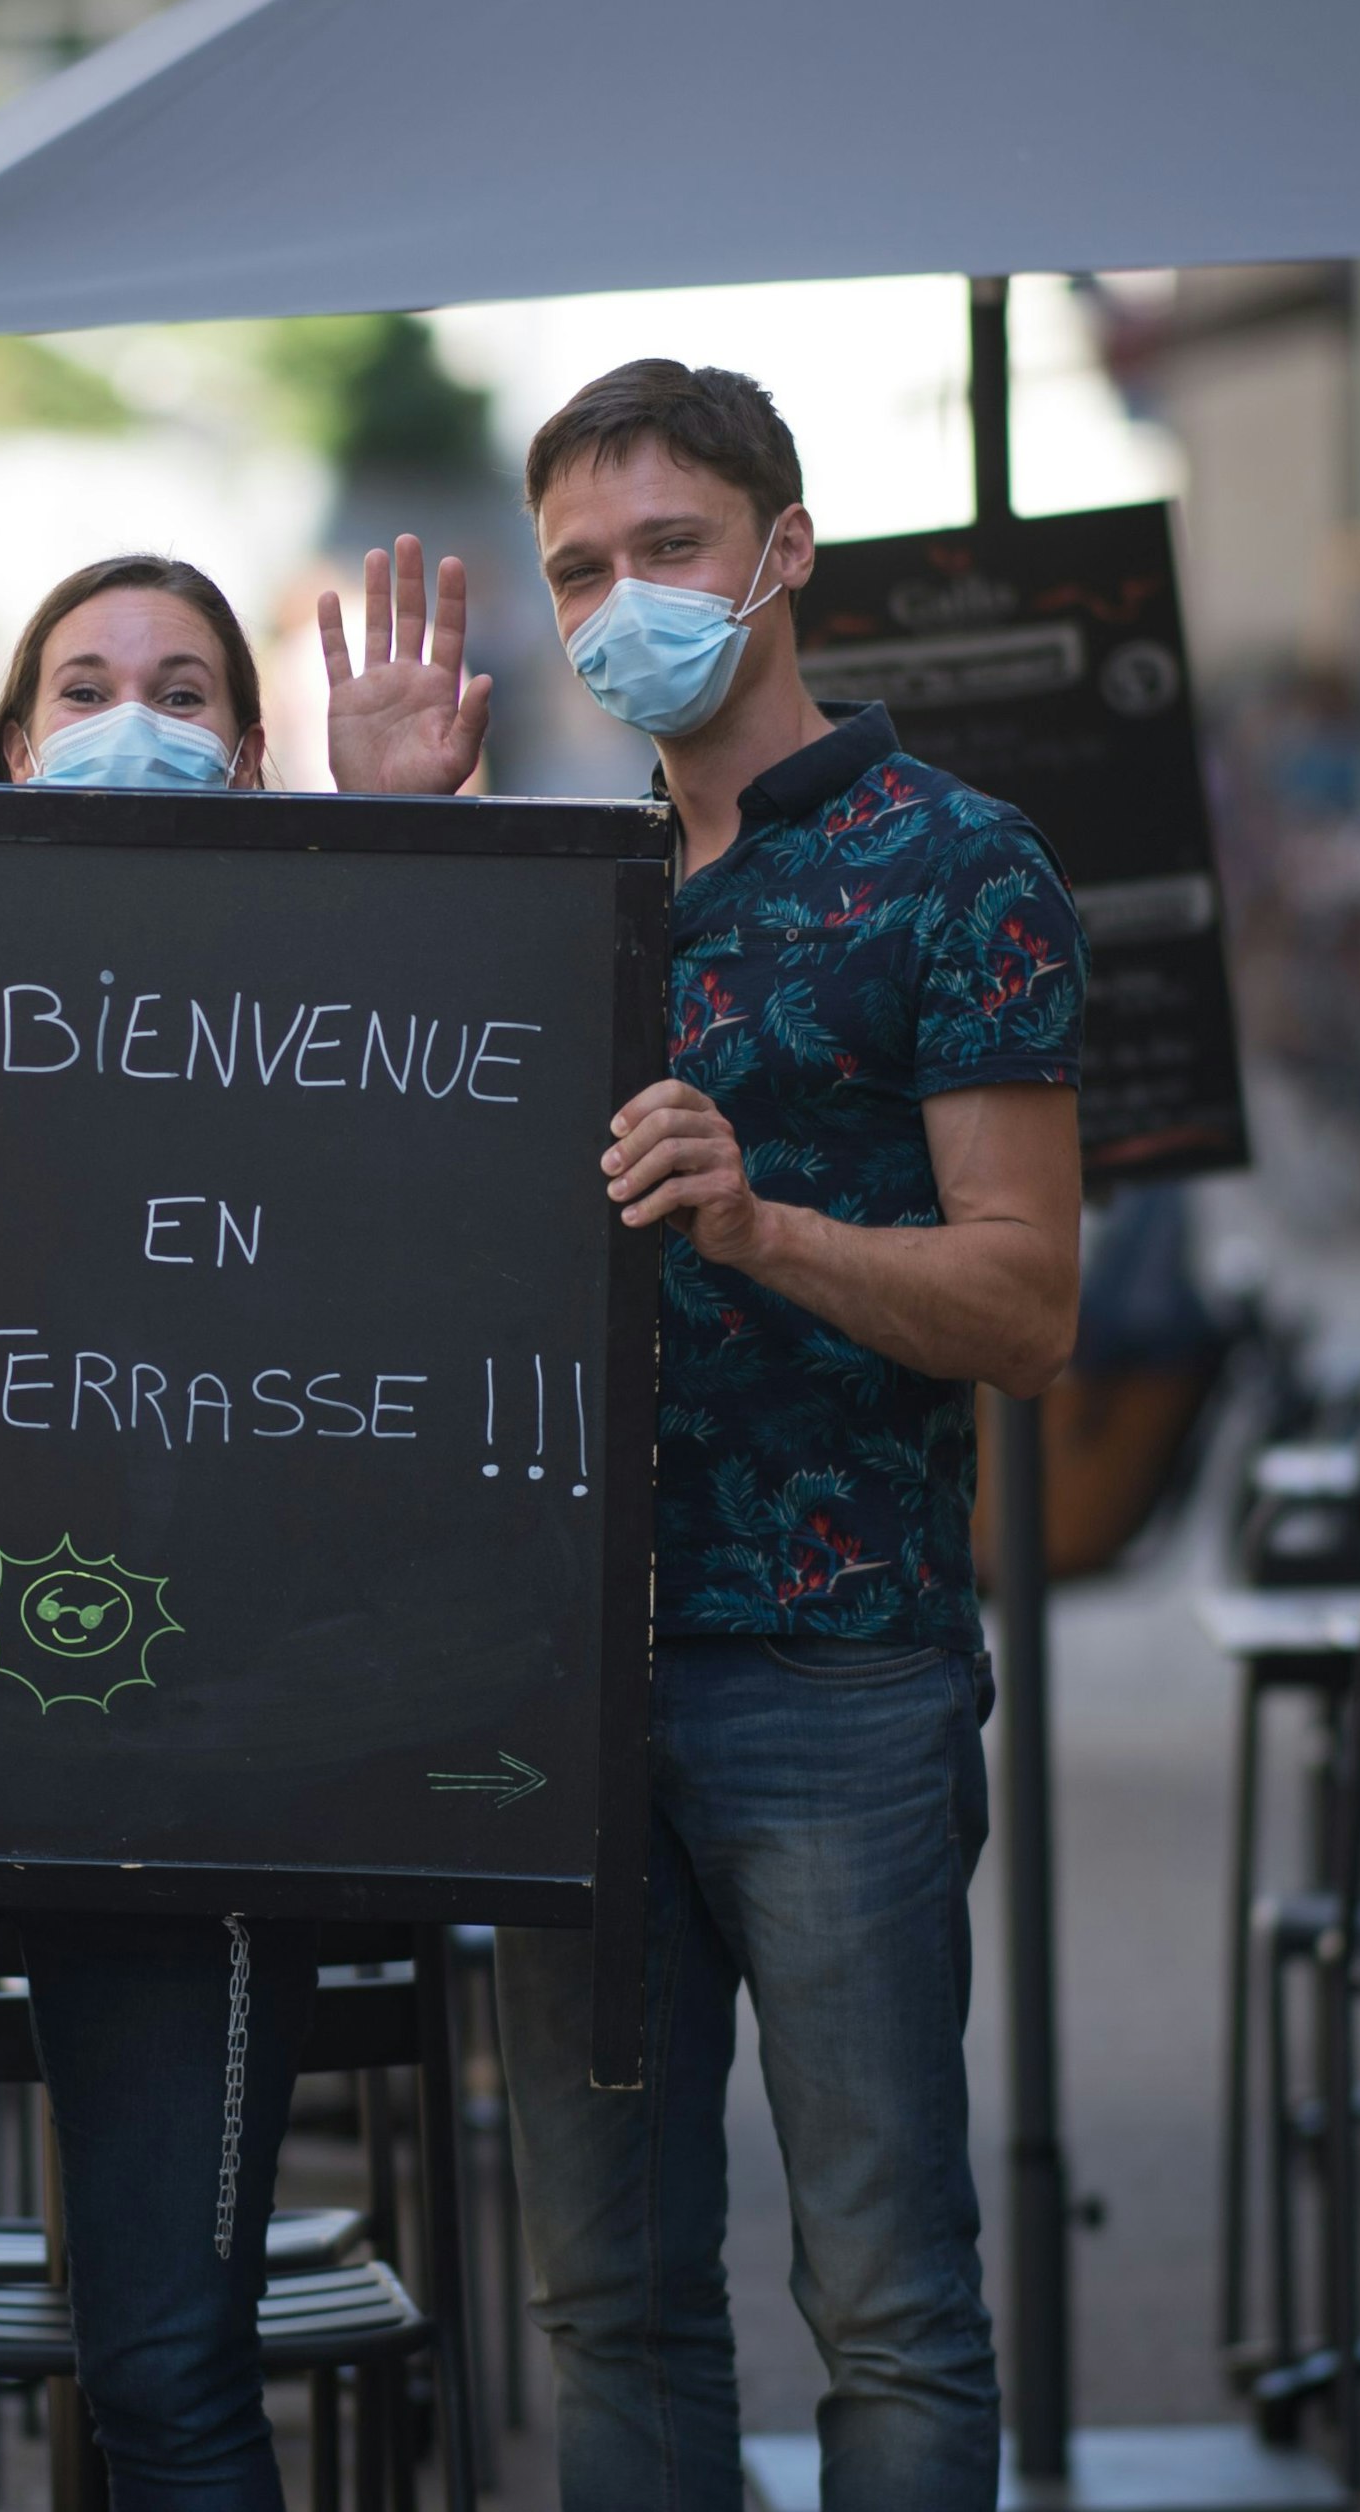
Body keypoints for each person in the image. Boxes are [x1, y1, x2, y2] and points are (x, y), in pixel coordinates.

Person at [0, 543, 491, 2508]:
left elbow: (474, 1201)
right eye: (83, 681)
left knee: (175, 2364)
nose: (130, 713)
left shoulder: (345, 1039)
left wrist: (399, 844)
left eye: (183, 685)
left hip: (209, 1777)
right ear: (9, 746)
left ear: (245, 753)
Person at [474, 362, 1088, 2511]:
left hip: (839, 1675)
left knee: (890, 2302)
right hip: (562, 1694)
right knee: (608, 2301)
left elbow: (1027, 1303)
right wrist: (390, 827)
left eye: (666, 547)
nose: (624, 597)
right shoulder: (566, 900)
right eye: (577, 567)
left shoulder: (959, 868)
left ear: (784, 551)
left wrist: (760, 1222)